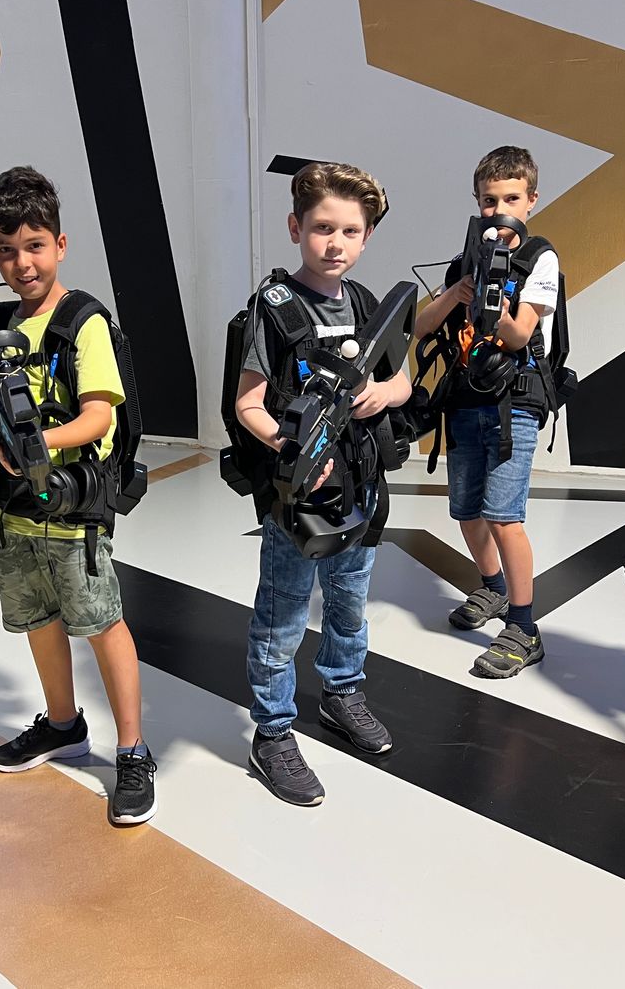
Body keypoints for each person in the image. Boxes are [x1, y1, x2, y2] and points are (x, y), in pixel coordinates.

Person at [0, 166, 156, 825]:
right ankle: (63, 724)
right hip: (12, 509)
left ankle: (132, 751)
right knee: (38, 619)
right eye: (6, 250)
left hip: (72, 507)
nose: (23, 263)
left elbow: (98, 417)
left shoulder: (81, 322)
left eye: (35, 246)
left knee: (100, 622)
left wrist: (36, 444)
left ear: (60, 244)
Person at [232, 161, 411, 806]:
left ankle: (342, 692)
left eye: (350, 231)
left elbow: (402, 380)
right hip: (299, 493)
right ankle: (273, 731)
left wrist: (381, 394)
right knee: (282, 615)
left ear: (367, 237)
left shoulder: (368, 305)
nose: (335, 244)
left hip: (361, 484)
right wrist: (293, 448)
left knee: (349, 601)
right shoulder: (274, 310)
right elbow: (248, 405)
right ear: (295, 228)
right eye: (321, 228)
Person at [412, 146, 560, 677]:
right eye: (489, 200)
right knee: (466, 510)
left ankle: (524, 626)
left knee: (504, 516)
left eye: (511, 199)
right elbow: (421, 327)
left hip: (513, 402)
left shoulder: (540, 257)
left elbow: (519, 334)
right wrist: (459, 291)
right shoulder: (466, 261)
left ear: (531, 200)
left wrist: (493, 299)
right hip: (466, 398)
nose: (499, 210)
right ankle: (493, 588)